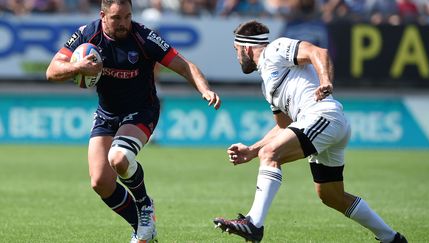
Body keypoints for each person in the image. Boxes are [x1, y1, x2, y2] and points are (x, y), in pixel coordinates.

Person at [213, 20, 407, 243]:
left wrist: (325, 81)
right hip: (324, 123)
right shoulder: (267, 85)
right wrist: (252, 150)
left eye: (236, 50)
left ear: (246, 48)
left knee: (271, 154)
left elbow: (318, 52)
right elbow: (284, 126)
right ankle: (392, 238)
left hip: (323, 115)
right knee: (331, 195)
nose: (237, 56)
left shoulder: (275, 49)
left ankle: (254, 223)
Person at [46, 0, 221, 242]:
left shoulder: (143, 37)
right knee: (100, 182)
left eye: (127, 17)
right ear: (103, 15)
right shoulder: (87, 34)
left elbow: (184, 65)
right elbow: (51, 70)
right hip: (107, 114)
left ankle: (145, 204)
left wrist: (205, 90)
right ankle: (142, 227)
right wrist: (77, 66)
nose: (124, 23)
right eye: (117, 18)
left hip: (141, 110)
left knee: (119, 158)